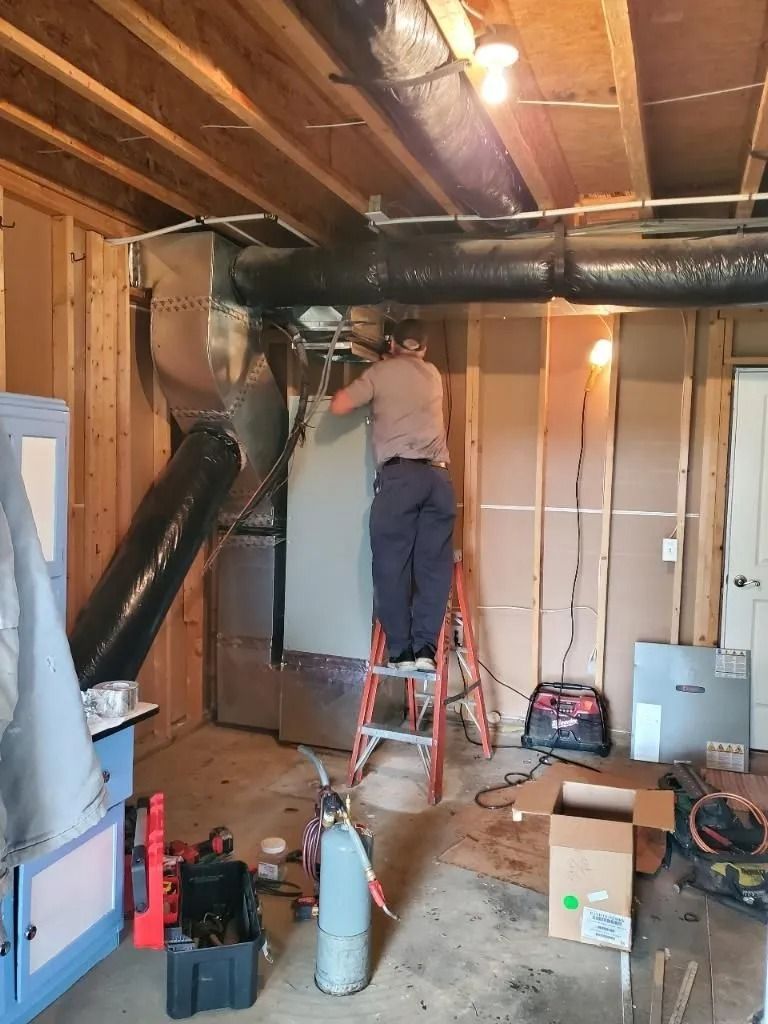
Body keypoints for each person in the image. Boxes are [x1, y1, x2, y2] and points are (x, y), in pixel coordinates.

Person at [330, 318, 455, 672]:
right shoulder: (432, 374)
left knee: (391, 565)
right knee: (432, 568)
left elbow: (339, 405)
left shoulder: (381, 372)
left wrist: (363, 382)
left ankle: (400, 652)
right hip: (439, 480)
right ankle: (425, 651)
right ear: (424, 348)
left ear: (392, 343)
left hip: (401, 479)